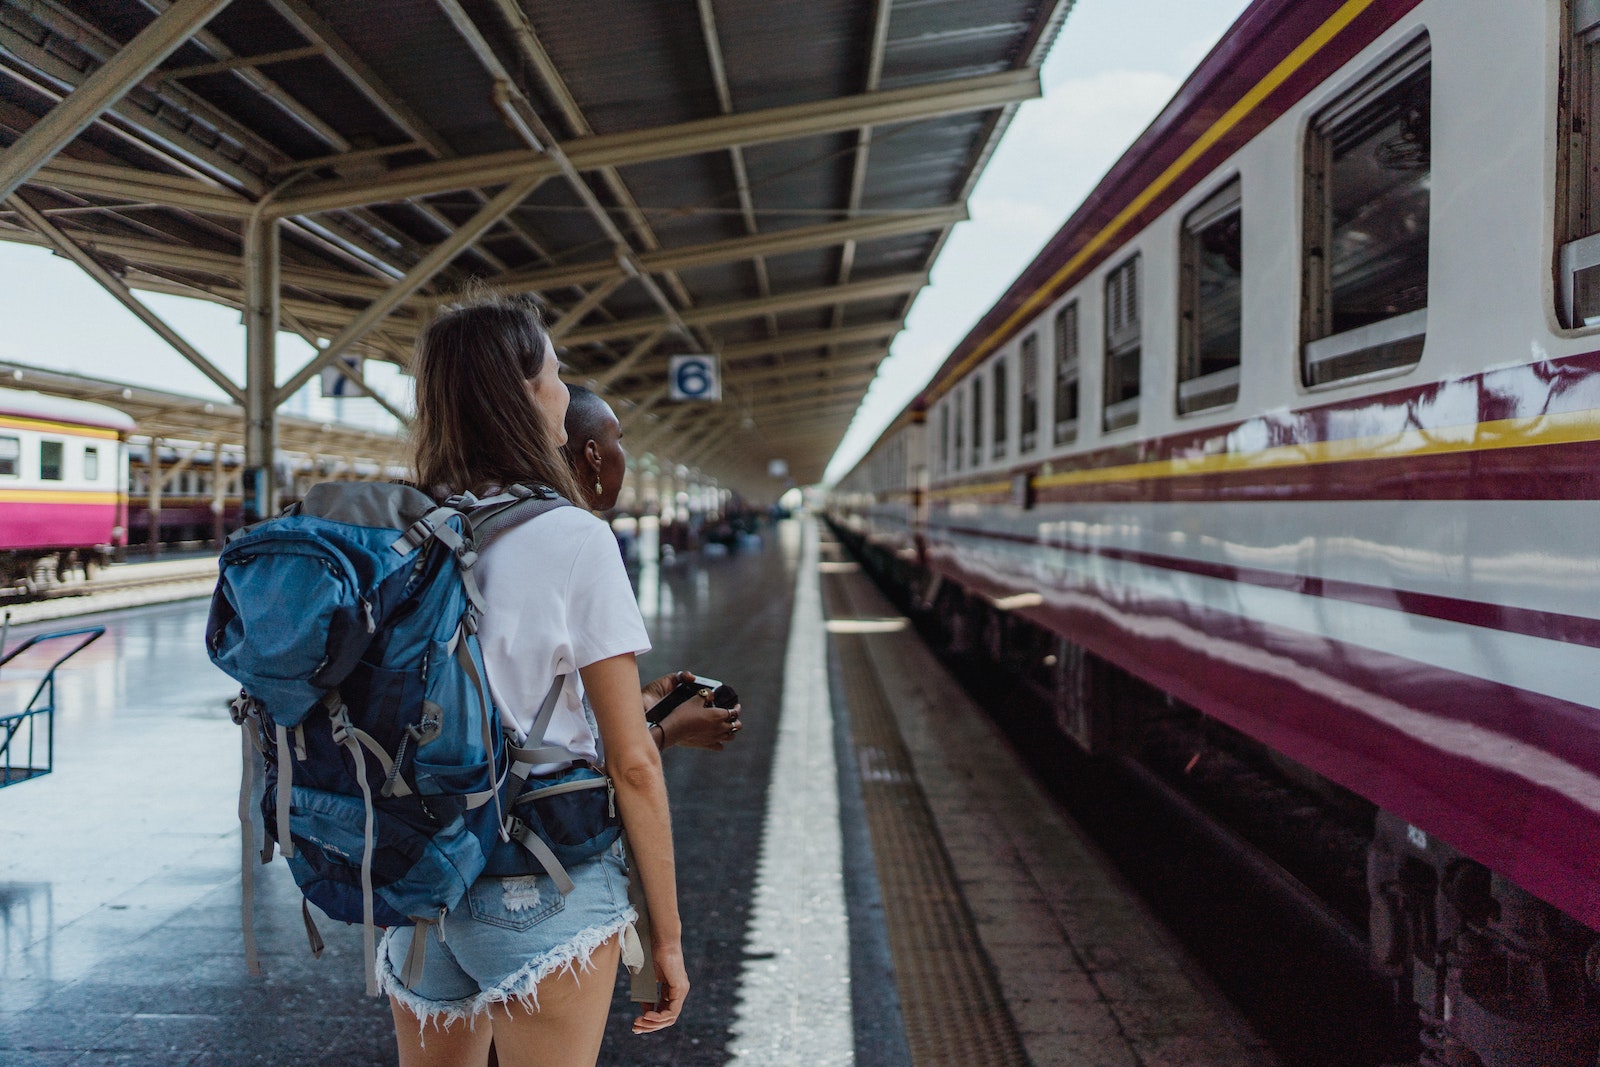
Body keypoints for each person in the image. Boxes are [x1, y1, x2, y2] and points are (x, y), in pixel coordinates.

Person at [381, 293, 688, 1067]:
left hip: (420, 888)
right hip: (539, 888)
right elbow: (633, 765)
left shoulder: (401, 532)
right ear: (517, 394)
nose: (562, 393)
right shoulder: (573, 537)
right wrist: (668, 941)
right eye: (554, 375)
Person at [562, 384, 744, 753]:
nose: (625, 455)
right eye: (619, 439)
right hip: (545, 801)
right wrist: (672, 729)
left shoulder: (485, 523)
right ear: (593, 454)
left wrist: (642, 703)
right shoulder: (585, 538)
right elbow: (625, 759)